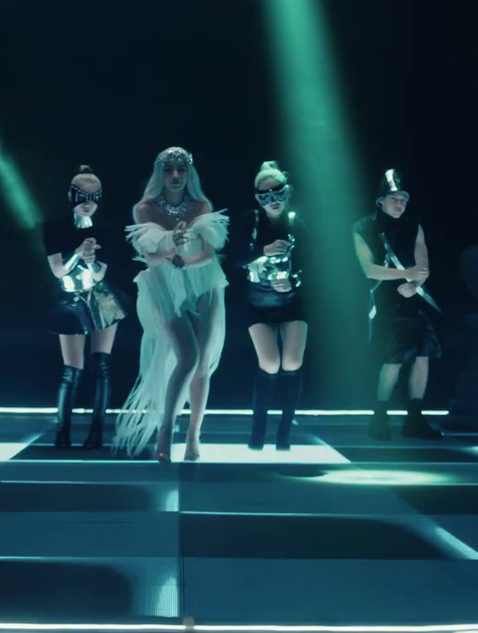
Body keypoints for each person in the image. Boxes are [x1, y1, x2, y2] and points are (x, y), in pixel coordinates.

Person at [115, 147, 230, 463]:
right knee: (187, 356)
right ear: (160, 173)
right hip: (164, 283)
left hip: (203, 281)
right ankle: (165, 429)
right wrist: (171, 251)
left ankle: (194, 435)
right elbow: (149, 257)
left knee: (202, 363)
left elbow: (208, 252)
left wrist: (187, 258)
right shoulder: (145, 209)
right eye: (169, 169)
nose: (176, 175)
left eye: (181, 169)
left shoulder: (201, 205)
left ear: (189, 172)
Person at [352, 168, 443, 440]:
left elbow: (423, 267)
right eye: (394, 199)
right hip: (384, 302)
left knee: (422, 357)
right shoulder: (362, 227)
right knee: (393, 360)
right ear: (381, 200)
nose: (400, 204)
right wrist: (406, 276)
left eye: (404, 199)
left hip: (414, 301)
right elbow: (370, 270)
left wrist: (414, 285)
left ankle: (414, 419)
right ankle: (379, 418)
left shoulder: (414, 226)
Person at [43, 165, 127, 449]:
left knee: (101, 365)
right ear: (71, 195)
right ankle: (62, 432)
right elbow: (57, 270)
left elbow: (102, 272)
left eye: (94, 197)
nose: (88, 203)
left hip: (100, 297)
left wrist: (90, 260)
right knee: (71, 368)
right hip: (69, 297)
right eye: (82, 196)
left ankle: (96, 433)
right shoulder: (55, 225)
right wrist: (78, 253)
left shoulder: (106, 227)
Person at [226, 161, 308, 450]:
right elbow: (234, 257)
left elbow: (316, 263)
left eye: (277, 194)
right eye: (264, 196)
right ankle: (258, 429)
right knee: (270, 363)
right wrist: (262, 251)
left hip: (292, 301)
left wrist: (295, 281)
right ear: (257, 199)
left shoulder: (298, 221)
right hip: (257, 301)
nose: (272, 202)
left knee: (292, 362)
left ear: (287, 192)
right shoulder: (251, 220)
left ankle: (285, 433)